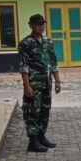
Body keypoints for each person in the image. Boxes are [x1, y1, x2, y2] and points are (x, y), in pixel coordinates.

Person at [19, 13, 62, 153]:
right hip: (33, 84)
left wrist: (57, 81)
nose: (41, 26)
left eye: (43, 24)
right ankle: (33, 141)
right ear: (30, 25)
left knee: (44, 111)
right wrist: (27, 86)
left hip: (46, 83)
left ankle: (41, 137)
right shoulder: (25, 43)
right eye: (38, 24)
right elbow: (24, 66)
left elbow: (53, 62)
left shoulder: (48, 42)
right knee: (32, 112)